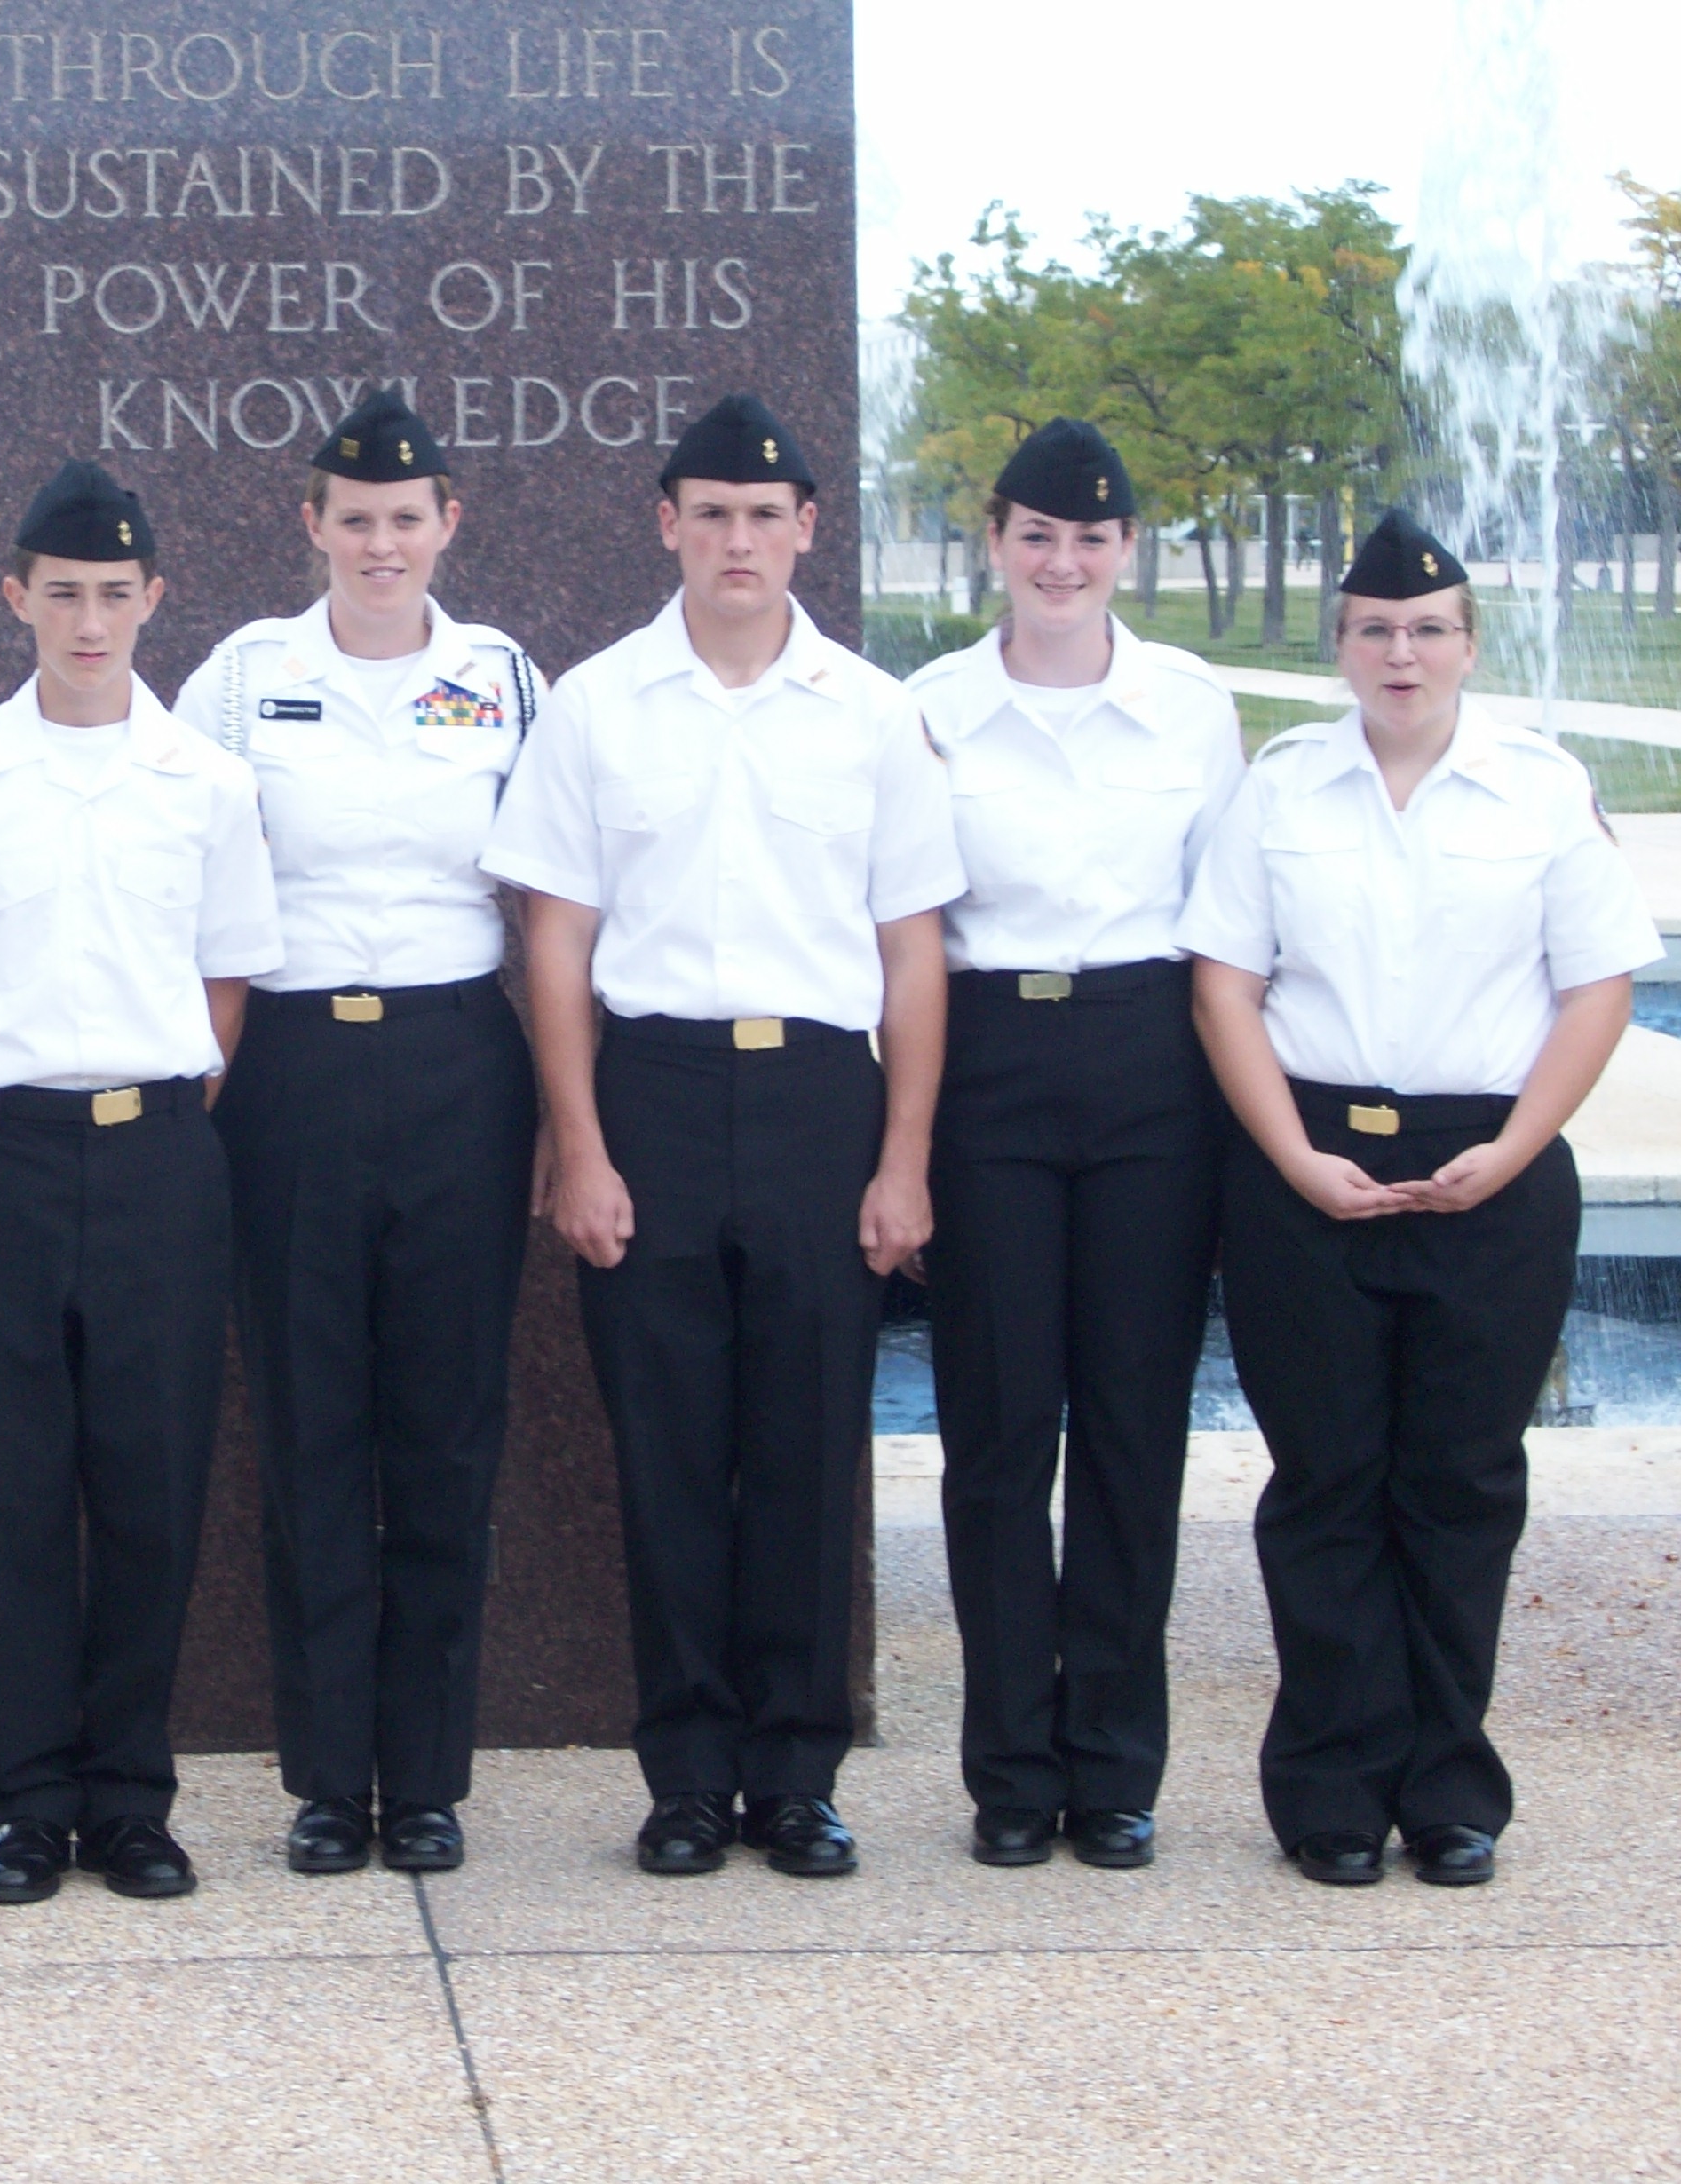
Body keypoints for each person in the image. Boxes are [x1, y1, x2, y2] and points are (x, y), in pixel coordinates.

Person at [482, 393, 963, 1879]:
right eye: (711, 514)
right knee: (669, 1453)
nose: (737, 540)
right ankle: (689, 1776)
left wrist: (904, 1159)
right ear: (668, 526)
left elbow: (912, 953)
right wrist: (579, 1144)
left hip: (821, 1100)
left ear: (808, 528)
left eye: (765, 516)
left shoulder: (873, 715)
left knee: (810, 1455)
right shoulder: (596, 705)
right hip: (656, 1096)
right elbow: (556, 941)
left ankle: (798, 1775)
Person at [1178, 510, 1657, 1888]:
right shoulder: (1282, 790)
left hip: (1490, 1170)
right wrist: (1290, 1157)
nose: (1404, 653)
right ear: (1341, 646)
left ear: (1468, 646)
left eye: (1431, 630)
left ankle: (1449, 1790)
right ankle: (1331, 1790)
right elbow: (1225, 987)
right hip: (1309, 1159)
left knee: (1461, 1484)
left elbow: (1598, 986)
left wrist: (1515, 1148)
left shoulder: (1541, 790)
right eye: (1378, 630)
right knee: (1326, 1482)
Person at [169, 389, 540, 1877]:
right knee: (310, 1426)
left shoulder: (502, 678)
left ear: (449, 523)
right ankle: (329, 1779)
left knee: (445, 1431)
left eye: (406, 518)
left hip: (461, 1063)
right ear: (311, 524)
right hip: (295, 1067)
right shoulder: (242, 679)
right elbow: (173, 859)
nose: (381, 543)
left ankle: (428, 1779)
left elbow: (549, 896)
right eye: (354, 519)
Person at [0, 460, 282, 1904]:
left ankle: (129, 1798)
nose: (87, 622)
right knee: (12, 1488)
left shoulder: (209, 785)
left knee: (149, 1482)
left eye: (113, 596)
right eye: (61, 594)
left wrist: (149, 1115)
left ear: (153, 601)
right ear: (14, 598)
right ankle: (23, 1805)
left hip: (156, 1155)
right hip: (0, 1151)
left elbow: (226, 983)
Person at [900, 419, 1246, 1871]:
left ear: (1125, 551)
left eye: (1090, 541)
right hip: (989, 1064)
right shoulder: (929, 709)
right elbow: (909, 924)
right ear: (995, 543)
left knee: (1129, 1428)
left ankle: (1113, 1765)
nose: (1062, 564)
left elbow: (1228, 925)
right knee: (994, 1432)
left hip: (1149, 1064)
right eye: (1037, 537)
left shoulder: (1190, 706)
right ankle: (1008, 1771)